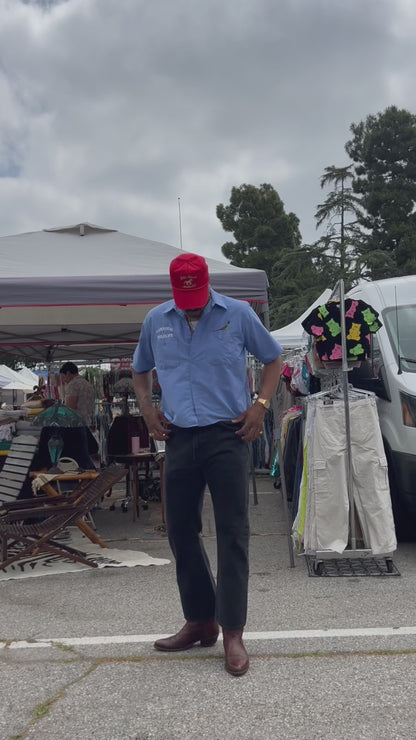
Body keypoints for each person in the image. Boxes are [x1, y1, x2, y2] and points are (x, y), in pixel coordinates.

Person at [132, 253, 282, 676]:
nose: (191, 305)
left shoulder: (237, 314)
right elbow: (140, 370)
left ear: (207, 284)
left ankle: (233, 630)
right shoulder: (156, 320)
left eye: (196, 297)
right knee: (180, 529)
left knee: (233, 532)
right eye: (184, 298)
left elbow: (274, 359)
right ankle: (201, 620)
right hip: (179, 437)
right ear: (173, 290)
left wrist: (262, 406)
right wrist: (146, 408)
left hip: (228, 435)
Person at [59, 362, 95, 427]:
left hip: (75, 424)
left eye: (63, 377)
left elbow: (70, 408)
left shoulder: (72, 385)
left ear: (68, 373)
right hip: (87, 422)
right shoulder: (88, 384)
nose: (63, 380)